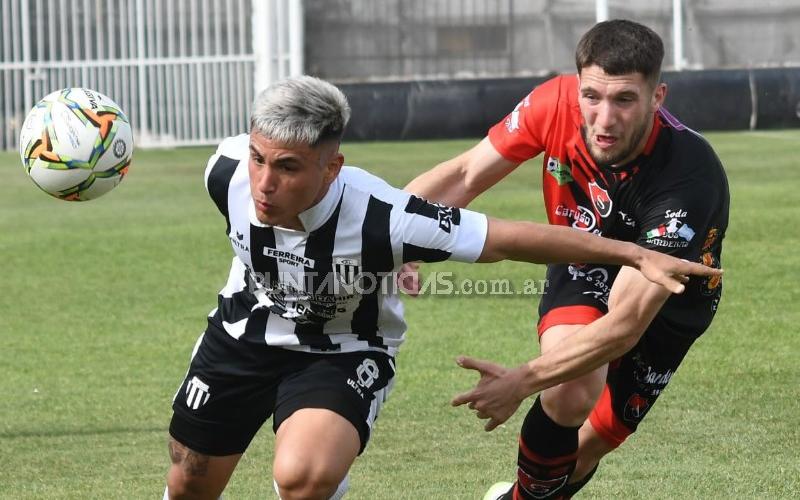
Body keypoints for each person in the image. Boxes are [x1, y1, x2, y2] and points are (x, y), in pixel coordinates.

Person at [162, 75, 720, 500]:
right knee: (189, 485)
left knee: (302, 477)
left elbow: (514, 239)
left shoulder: (385, 216)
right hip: (242, 332)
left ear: (332, 168)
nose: (263, 182)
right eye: (259, 159)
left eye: (286, 167)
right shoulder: (224, 170)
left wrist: (634, 254)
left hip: (340, 351)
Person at [405, 19, 729, 500]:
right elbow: (466, 174)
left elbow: (623, 326)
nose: (604, 118)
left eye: (624, 100)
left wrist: (519, 381)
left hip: (673, 300)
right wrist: (394, 236)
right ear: (577, 88)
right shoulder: (553, 102)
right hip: (585, 257)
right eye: (592, 96)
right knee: (570, 390)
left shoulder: (689, 176)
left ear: (656, 97)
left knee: (585, 449)